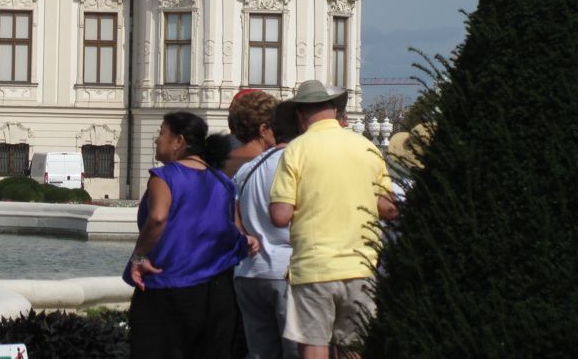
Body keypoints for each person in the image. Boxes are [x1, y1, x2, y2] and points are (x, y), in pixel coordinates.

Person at [269, 81, 397, 359]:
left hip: (314, 266)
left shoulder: (296, 150)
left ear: (301, 115)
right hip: (361, 265)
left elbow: (280, 215)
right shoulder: (367, 148)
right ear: (335, 111)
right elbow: (389, 209)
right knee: (353, 347)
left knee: (314, 342)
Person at [125, 111, 257, 359]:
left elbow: (157, 218)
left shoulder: (164, 177)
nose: (157, 139)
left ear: (179, 141)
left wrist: (138, 257)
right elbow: (236, 230)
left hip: (168, 285)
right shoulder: (222, 181)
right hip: (217, 290)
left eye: (162, 133)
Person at [234, 101, 300, 359]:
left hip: (250, 272)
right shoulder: (299, 163)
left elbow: (235, 222)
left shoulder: (247, 169)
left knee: (260, 353)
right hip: (286, 271)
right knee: (295, 352)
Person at [224, 89, 278, 177]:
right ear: (263, 130)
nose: (278, 131)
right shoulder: (270, 166)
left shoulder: (219, 164)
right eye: (275, 125)